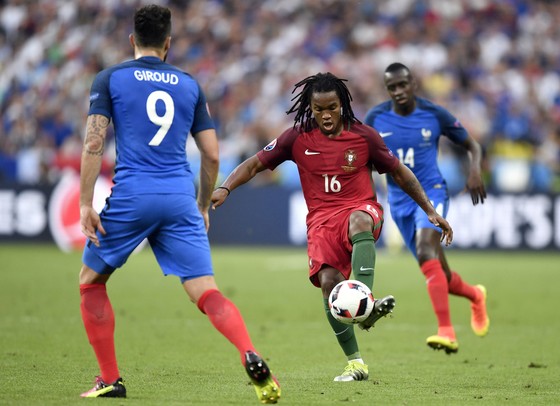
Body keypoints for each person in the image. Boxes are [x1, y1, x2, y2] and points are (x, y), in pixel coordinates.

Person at [77, 5, 280, 404]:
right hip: (179, 198)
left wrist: (86, 203)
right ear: (169, 43)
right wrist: (202, 205)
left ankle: (110, 380)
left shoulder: (110, 78)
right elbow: (211, 154)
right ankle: (248, 351)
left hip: (133, 196)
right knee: (207, 292)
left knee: (90, 282)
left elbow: (93, 143)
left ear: (132, 40)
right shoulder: (188, 84)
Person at [211, 72, 453, 381]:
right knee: (328, 283)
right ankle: (355, 363)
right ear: (310, 107)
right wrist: (226, 187)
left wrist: (429, 210)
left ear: (343, 104)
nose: (326, 115)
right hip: (322, 223)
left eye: (332, 107)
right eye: (319, 108)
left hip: (361, 210)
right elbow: (256, 163)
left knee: (359, 219)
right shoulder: (296, 138)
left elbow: (400, 172)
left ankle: (366, 300)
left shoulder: (364, 137)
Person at [364, 62, 490, 354]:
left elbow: (472, 144)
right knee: (438, 272)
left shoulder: (434, 114)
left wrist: (474, 171)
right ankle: (475, 295)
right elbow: (364, 159)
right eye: (392, 87)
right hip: (398, 201)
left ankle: (446, 331)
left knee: (425, 251)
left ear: (413, 84)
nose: (398, 91)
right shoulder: (376, 117)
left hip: (432, 192)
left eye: (403, 85)